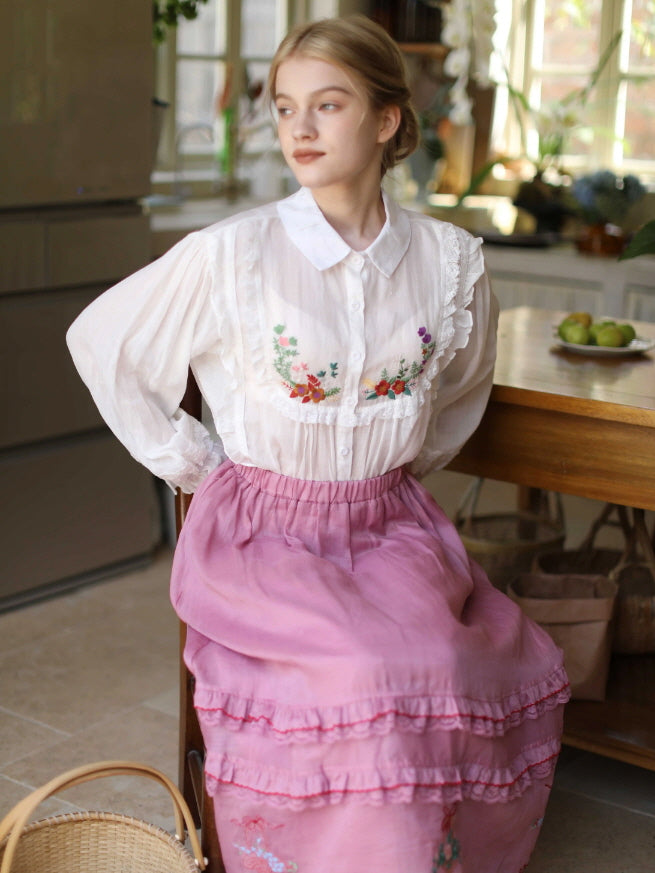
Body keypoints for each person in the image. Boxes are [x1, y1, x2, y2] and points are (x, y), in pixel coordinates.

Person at [67, 15, 570, 873]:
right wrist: (202, 467)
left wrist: (390, 466)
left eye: (326, 105)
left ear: (383, 121)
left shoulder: (449, 261)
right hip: (263, 535)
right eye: (285, 106)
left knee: (457, 657)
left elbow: (460, 394)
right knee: (365, 669)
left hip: (390, 524)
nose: (297, 127)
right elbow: (102, 343)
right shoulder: (233, 254)